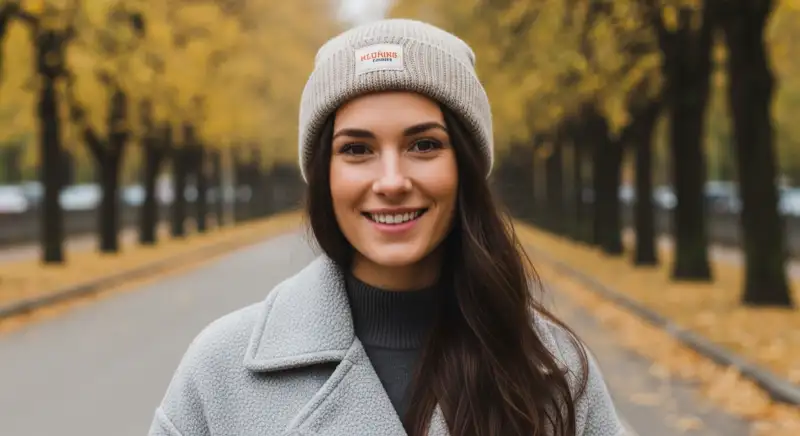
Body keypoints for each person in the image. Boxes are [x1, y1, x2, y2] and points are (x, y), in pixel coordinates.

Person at [148, 18, 625, 436]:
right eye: (357, 150)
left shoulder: (552, 371)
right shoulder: (220, 371)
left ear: (465, 167)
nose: (392, 182)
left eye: (423, 145)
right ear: (324, 175)